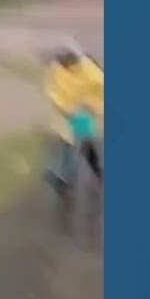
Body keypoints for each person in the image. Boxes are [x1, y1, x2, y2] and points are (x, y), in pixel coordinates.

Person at [45, 43, 103, 191]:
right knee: (68, 143)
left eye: (63, 60)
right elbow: (52, 88)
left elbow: (101, 94)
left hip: (82, 112)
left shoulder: (92, 74)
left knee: (79, 143)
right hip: (63, 111)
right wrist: (61, 106)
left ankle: (70, 178)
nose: (60, 63)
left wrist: (92, 108)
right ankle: (68, 179)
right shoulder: (57, 68)